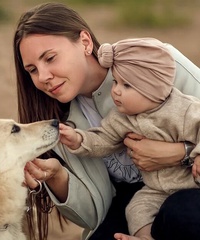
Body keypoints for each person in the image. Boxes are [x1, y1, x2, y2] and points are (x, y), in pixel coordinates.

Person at [13, 2, 200, 240]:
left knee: (184, 214)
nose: (44, 77)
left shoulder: (154, 63)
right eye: (32, 70)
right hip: (139, 200)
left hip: (190, 186)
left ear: (85, 42)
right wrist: (59, 177)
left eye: (50, 58)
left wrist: (181, 153)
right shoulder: (59, 125)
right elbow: (93, 216)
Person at [59, 37, 200, 240]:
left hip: (192, 183)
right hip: (155, 189)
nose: (115, 90)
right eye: (116, 81)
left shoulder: (184, 109)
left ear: (153, 88)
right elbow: (104, 139)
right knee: (136, 207)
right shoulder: (121, 118)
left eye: (126, 85)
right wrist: (80, 140)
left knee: (184, 215)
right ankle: (144, 237)